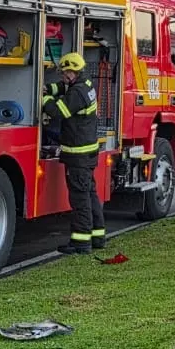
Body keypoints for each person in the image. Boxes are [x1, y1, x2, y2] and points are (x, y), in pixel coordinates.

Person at [41, 52, 105, 254]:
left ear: (72, 71)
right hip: (87, 152)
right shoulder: (84, 85)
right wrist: (50, 88)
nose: (62, 76)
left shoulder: (77, 93)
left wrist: (44, 98)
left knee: (79, 199)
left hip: (78, 154)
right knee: (90, 194)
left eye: (64, 72)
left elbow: (59, 111)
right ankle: (97, 236)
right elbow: (64, 88)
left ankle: (81, 242)